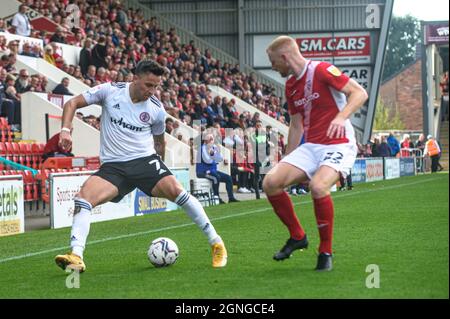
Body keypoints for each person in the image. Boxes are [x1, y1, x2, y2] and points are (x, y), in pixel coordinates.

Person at [54, 60, 228, 272]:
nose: (152, 91)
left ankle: (216, 243)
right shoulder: (110, 91)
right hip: (114, 167)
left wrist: (160, 165)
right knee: (83, 198)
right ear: (135, 78)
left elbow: (159, 141)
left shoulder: (156, 109)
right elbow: (71, 103)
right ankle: (76, 256)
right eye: (148, 85)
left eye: (156, 86)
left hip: (144, 161)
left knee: (178, 192)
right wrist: (65, 129)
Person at [263, 36, 368, 271]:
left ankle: (325, 251)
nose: (272, 66)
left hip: (338, 144)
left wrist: (341, 117)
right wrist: (287, 159)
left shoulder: (322, 70)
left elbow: (359, 93)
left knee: (319, 187)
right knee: (270, 182)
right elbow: (296, 125)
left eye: (272, 61)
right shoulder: (290, 86)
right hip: (311, 147)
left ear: (285, 57)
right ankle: (298, 236)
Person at [196, 133, 240, 204]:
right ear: (205, 141)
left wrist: (213, 156)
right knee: (216, 178)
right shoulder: (202, 148)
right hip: (203, 171)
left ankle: (231, 198)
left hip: (212, 170)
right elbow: (208, 160)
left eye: (212, 139)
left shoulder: (214, 147)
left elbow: (220, 158)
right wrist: (213, 155)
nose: (211, 140)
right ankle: (216, 198)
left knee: (228, 178)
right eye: (210, 139)